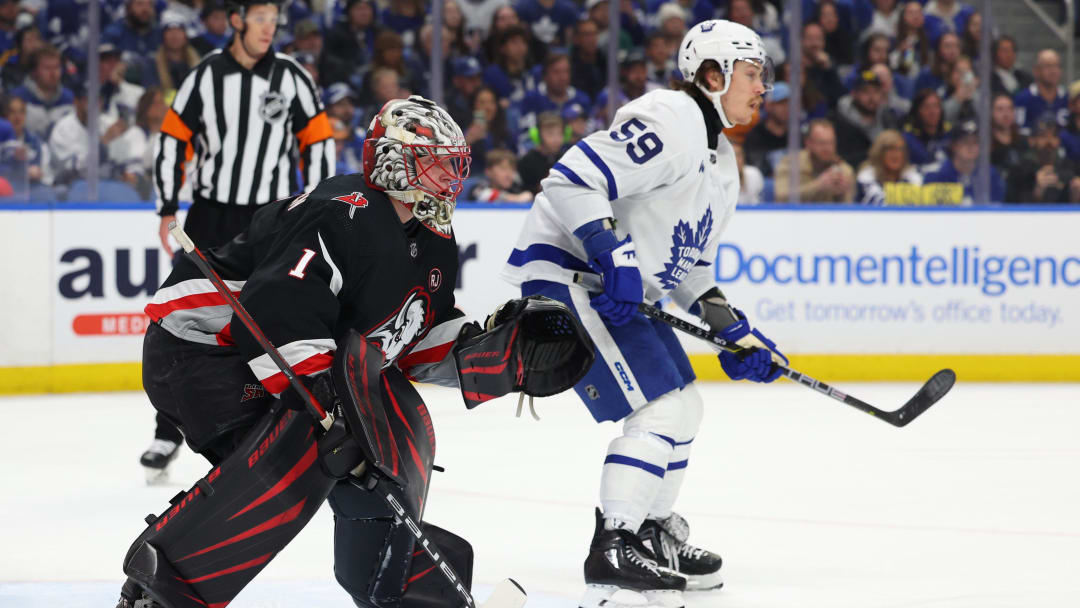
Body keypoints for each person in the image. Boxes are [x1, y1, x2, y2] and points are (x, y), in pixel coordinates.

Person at [115, 94, 591, 608]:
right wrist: (333, 416)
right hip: (201, 350)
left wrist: (485, 354)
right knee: (300, 452)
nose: (450, 179)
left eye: (454, 166)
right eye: (437, 165)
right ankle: (162, 589)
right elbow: (275, 314)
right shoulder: (339, 212)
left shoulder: (432, 238)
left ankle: (398, 589)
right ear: (394, 163)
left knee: (395, 430)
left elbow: (404, 337)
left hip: (282, 357)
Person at [502, 19, 782, 608]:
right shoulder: (671, 117)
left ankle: (650, 535)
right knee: (661, 407)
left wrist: (734, 330)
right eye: (754, 75)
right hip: (571, 275)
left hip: (613, 287)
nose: (765, 89)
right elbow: (571, 179)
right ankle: (614, 547)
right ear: (714, 74)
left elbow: (692, 270)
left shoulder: (723, 163)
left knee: (687, 403)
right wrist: (613, 254)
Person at [141, 0, 336, 477]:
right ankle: (167, 433)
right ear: (237, 21)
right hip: (211, 215)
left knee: (269, 317)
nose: (269, 29)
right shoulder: (205, 76)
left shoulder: (291, 77)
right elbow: (172, 138)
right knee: (183, 323)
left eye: (274, 20)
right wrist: (168, 204)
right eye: (260, 19)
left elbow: (320, 142)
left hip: (270, 220)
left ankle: (267, 424)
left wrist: (318, 207)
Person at [775, 118, 856, 203]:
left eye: (831, 143)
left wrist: (841, 194)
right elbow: (781, 197)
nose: (827, 148)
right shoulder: (791, 163)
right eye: (822, 143)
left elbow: (849, 210)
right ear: (808, 143)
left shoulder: (844, 170)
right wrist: (818, 186)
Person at [923, 120, 1005, 204]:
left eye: (975, 142)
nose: (971, 147)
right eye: (965, 142)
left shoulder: (990, 175)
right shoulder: (937, 175)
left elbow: (995, 209)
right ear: (954, 146)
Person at [1005, 116, 1080, 203]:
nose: (1049, 142)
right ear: (1032, 140)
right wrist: (1037, 192)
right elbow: (1010, 207)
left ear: (1059, 140)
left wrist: (1075, 197)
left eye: (1054, 136)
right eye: (1043, 136)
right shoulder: (1019, 171)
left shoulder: (1070, 168)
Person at [11, 45, 72, 140]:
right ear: (34, 71)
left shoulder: (69, 99)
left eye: (57, 67)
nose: (53, 73)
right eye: (47, 68)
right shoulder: (17, 98)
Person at [855, 129, 923, 205]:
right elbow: (876, 202)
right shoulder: (867, 175)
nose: (896, 155)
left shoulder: (912, 175)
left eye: (900, 149)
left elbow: (917, 200)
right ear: (879, 152)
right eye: (890, 149)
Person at [742, 80, 789, 177]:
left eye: (790, 103)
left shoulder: (796, 134)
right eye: (781, 103)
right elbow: (757, 171)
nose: (787, 108)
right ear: (768, 106)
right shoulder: (755, 137)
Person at [1013, 49, 1067, 131]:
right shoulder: (1022, 99)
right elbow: (1018, 131)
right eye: (1048, 66)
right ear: (1036, 71)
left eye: (1056, 66)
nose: (1053, 71)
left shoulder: (1068, 98)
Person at [518, 110, 567, 193]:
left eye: (560, 133)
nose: (556, 139)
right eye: (550, 134)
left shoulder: (566, 158)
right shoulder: (527, 161)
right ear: (538, 136)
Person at [468, 148, 534, 202]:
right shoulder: (480, 186)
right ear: (488, 171)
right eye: (503, 169)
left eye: (512, 170)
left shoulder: (516, 189)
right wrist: (516, 199)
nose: (508, 174)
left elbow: (528, 196)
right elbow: (482, 194)